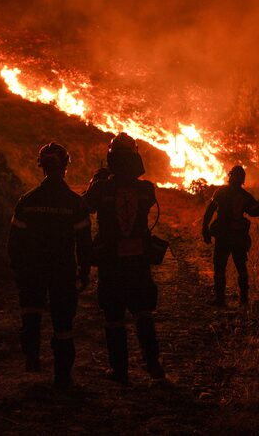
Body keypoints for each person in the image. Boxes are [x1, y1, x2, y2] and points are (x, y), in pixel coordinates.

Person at [7, 142, 92, 389]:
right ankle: (62, 376)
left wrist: (17, 269)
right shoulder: (74, 203)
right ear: (65, 167)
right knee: (63, 324)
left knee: (31, 313)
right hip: (62, 272)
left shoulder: (27, 200)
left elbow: (14, 241)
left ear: (42, 168)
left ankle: (32, 357)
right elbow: (84, 242)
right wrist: (84, 271)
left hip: (32, 270)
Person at [84, 133, 165, 384]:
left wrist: (97, 181)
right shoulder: (146, 189)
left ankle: (120, 371)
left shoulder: (101, 187)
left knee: (114, 317)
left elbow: (86, 206)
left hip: (111, 262)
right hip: (138, 261)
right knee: (143, 312)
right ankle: (153, 366)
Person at [202, 166, 259, 307]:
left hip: (223, 236)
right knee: (241, 267)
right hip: (238, 237)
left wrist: (205, 229)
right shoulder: (244, 196)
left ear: (230, 177)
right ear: (242, 179)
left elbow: (209, 211)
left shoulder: (221, 192)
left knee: (219, 266)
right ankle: (244, 300)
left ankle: (220, 299)